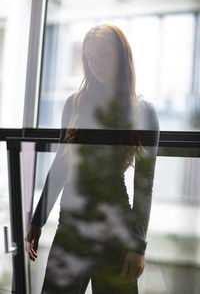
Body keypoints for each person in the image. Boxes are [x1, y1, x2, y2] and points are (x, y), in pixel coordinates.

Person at [26, 24, 159, 294]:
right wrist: (38, 220)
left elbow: (144, 183)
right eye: (88, 57)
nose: (95, 63)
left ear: (121, 55)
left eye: (102, 54)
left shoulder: (143, 110)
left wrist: (137, 246)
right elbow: (61, 165)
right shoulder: (74, 104)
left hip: (116, 232)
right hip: (71, 227)